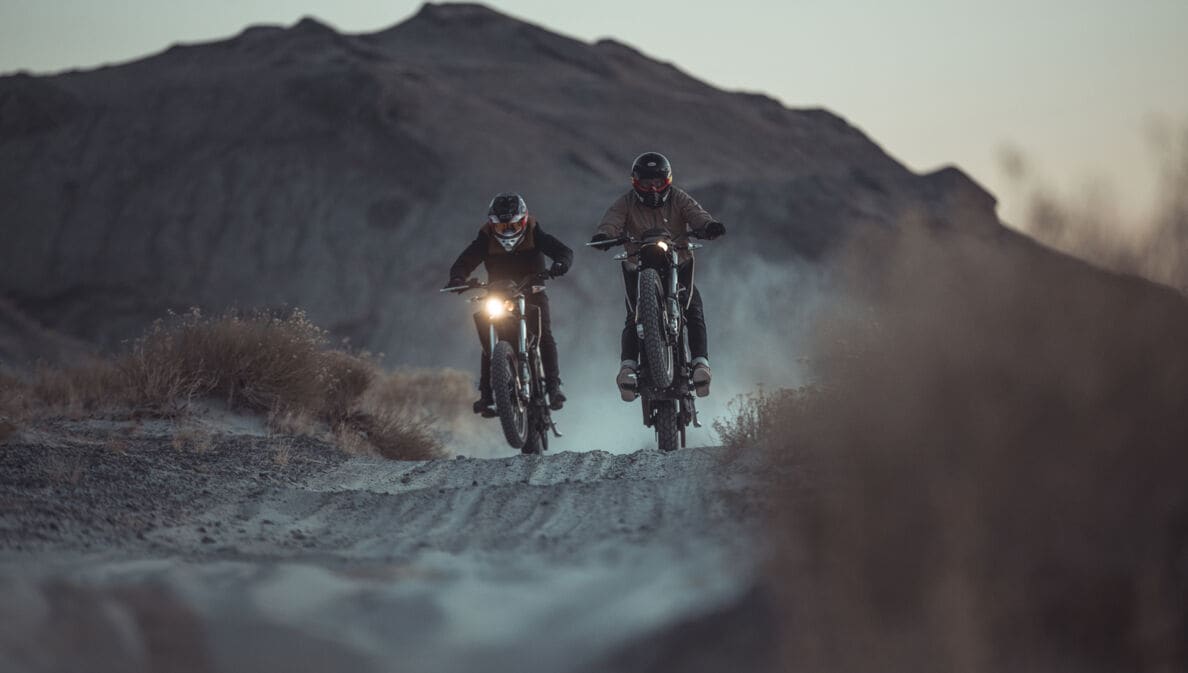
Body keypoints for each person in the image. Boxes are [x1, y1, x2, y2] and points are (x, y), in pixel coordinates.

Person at [589, 152, 725, 401]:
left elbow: (696, 214)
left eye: (658, 183)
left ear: (667, 181)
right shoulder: (626, 202)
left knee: (693, 308)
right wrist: (604, 236)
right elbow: (611, 220)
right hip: (638, 265)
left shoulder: (679, 198)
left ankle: (700, 364)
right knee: (634, 315)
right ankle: (628, 368)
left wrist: (708, 226)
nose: (652, 189)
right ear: (635, 183)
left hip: (678, 262)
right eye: (646, 183)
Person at [445, 192, 573, 414]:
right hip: (498, 294)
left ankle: (554, 387)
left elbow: (563, 251)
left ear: (523, 221)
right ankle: (486, 395)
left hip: (532, 292)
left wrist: (560, 264)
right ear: (492, 225)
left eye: (512, 226)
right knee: (490, 341)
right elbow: (464, 261)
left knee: (544, 335)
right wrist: (457, 278)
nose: (507, 231)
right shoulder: (485, 238)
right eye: (501, 227)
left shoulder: (535, 232)